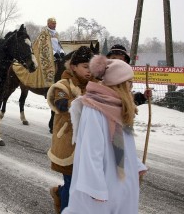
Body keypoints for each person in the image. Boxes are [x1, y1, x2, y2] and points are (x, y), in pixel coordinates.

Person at [62, 55, 148, 214]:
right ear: (120, 83)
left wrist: (135, 165)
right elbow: (91, 151)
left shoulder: (121, 107)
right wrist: (95, 187)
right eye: (129, 82)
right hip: (102, 187)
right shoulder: (95, 108)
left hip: (120, 181)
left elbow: (126, 145)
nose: (132, 86)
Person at [46, 46, 96, 213]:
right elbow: (61, 104)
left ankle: (59, 193)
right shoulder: (63, 85)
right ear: (73, 66)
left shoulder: (97, 86)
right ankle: (65, 208)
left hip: (91, 144)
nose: (90, 70)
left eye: (92, 66)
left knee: (88, 185)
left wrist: (136, 98)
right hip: (70, 142)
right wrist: (84, 101)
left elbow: (114, 100)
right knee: (72, 182)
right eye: (85, 66)